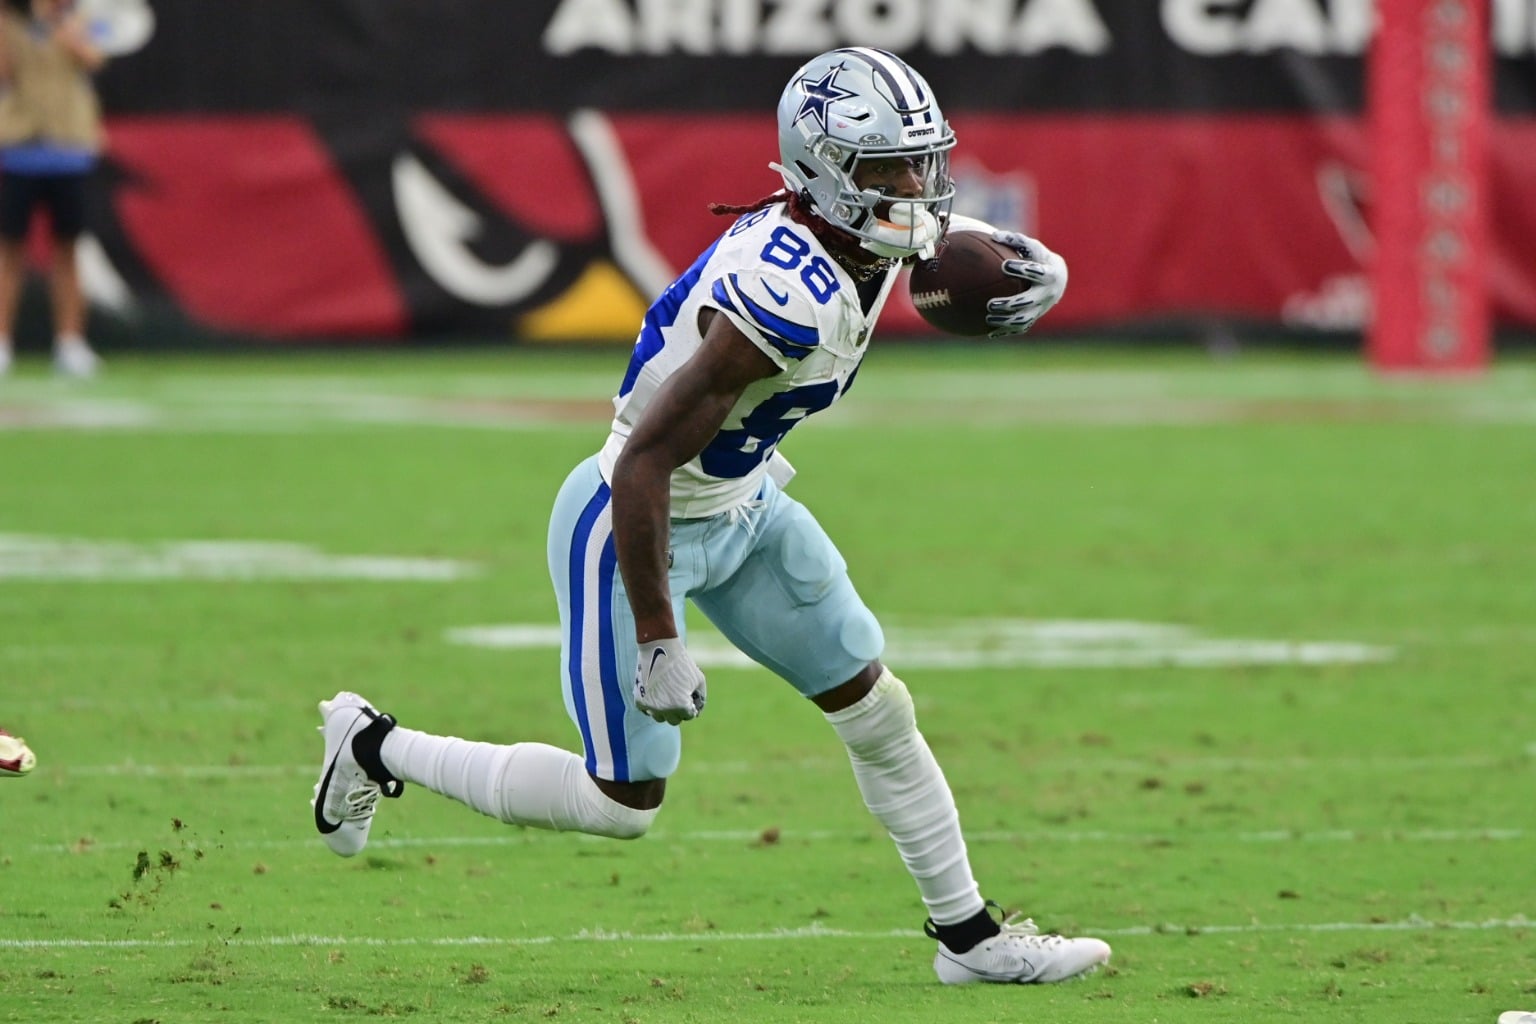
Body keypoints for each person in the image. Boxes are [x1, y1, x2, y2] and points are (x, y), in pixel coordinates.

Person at [311, 47, 1110, 986]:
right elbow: (645, 462)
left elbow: (950, 241)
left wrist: (1031, 267)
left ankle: (970, 941)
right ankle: (371, 742)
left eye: (922, 162)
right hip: (633, 523)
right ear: (826, 174)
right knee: (624, 801)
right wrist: (658, 636)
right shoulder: (784, 293)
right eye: (891, 169)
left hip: (746, 503)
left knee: (877, 708)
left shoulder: (864, 229)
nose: (918, 189)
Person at [0, 0, 106, 378]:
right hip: (20, 147)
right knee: (10, 250)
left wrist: (63, 30)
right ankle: (2, 344)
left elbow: (94, 59)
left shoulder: (76, 17)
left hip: (69, 149)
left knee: (68, 249)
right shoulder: (9, 20)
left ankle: (70, 343)